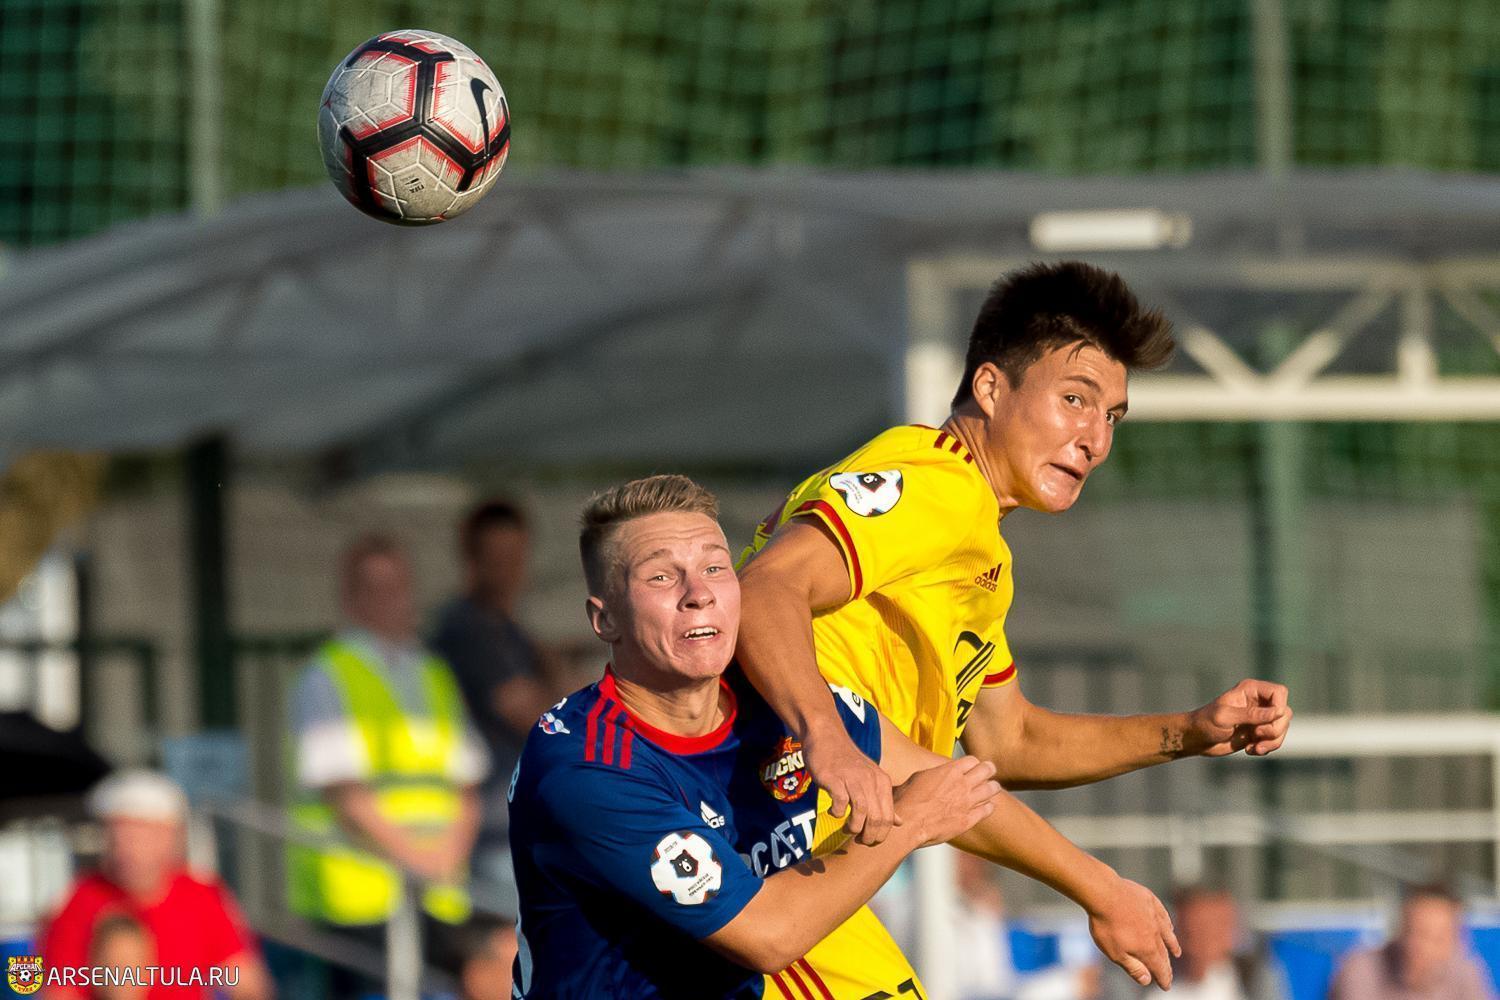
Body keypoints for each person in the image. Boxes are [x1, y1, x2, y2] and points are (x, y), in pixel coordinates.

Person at [735, 261, 1294, 985]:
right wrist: (828, 736)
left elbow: (1010, 740)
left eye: (1112, 416)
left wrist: (1188, 731)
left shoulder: (981, 552)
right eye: (1075, 399)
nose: (1095, 439)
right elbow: (766, 589)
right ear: (991, 388)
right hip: (756, 837)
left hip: (809, 860)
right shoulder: (938, 485)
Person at [508, 475, 1181, 999]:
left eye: (715, 567)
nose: (698, 593)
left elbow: (949, 785)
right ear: (604, 618)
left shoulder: (779, 698)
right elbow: (770, 936)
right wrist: (909, 823)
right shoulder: (587, 768)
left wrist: (1102, 889)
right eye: (661, 576)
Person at [286, 533, 503, 999]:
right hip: (360, 898)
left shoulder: (432, 673)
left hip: (434, 894)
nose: (391, 599)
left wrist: (445, 857)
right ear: (350, 598)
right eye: (375, 587)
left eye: (398, 585)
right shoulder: (328, 674)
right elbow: (345, 795)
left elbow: (466, 784)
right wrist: (422, 860)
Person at [38, 770, 273, 1000]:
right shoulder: (81, 899)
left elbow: (245, 981)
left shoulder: (201, 895)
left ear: (172, 836)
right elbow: (60, 990)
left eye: (138, 834)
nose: (125, 846)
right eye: (116, 833)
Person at [429, 498, 555, 922]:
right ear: (471, 558)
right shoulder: (464, 627)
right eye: (495, 558)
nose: (508, 570)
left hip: (517, 823)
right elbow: (530, 713)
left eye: (514, 556)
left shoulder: (511, 630)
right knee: (504, 948)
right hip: (489, 828)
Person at [1103, 886, 1288, 1000]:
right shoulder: (1137, 979)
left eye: (1216, 928)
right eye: (1196, 929)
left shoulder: (1255, 978)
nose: (1205, 941)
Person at [1328, 883, 1496, 1000]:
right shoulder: (1361, 969)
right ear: (1400, 929)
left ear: (1456, 941)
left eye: (1438, 938)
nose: (1423, 947)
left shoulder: (1466, 973)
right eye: (1416, 932)